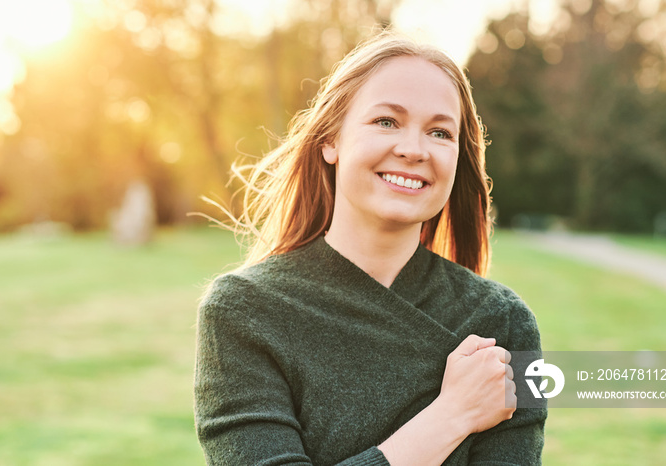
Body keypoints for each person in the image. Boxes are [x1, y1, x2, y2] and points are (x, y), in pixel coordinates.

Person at [194, 31, 546, 465]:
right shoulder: (241, 311)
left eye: (439, 132)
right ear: (330, 140)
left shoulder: (507, 324)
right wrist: (451, 416)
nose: (414, 150)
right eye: (386, 122)